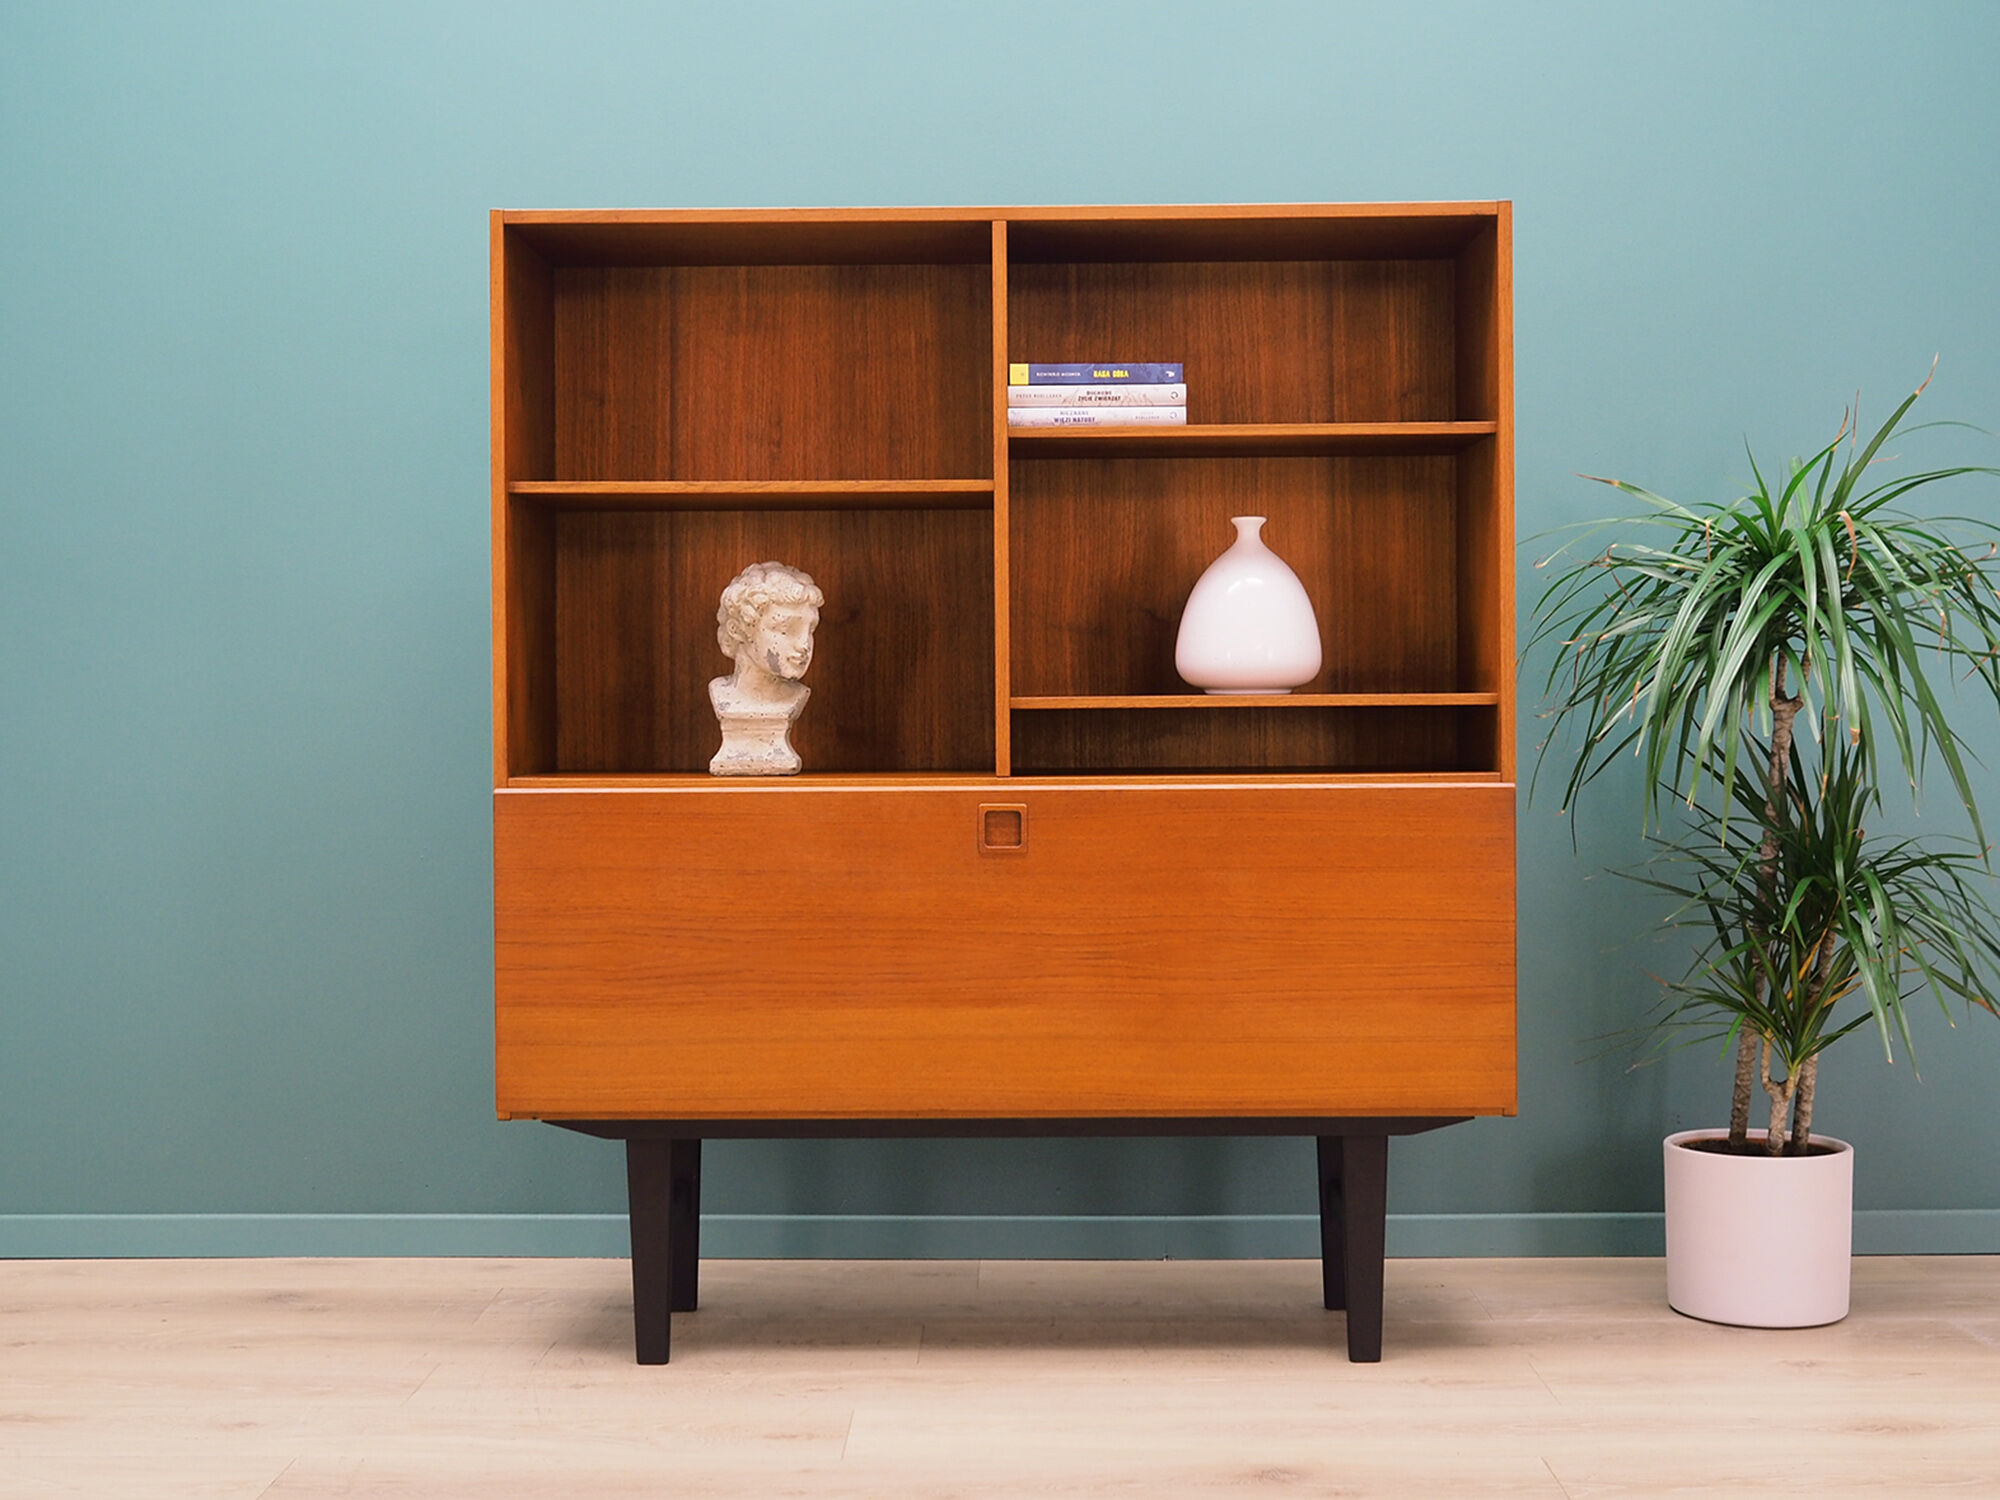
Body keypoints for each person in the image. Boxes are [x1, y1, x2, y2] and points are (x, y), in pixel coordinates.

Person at [708, 562, 823, 775]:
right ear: (738, 630)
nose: (804, 645)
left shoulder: (797, 696)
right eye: (786, 629)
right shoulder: (720, 694)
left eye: (811, 629)